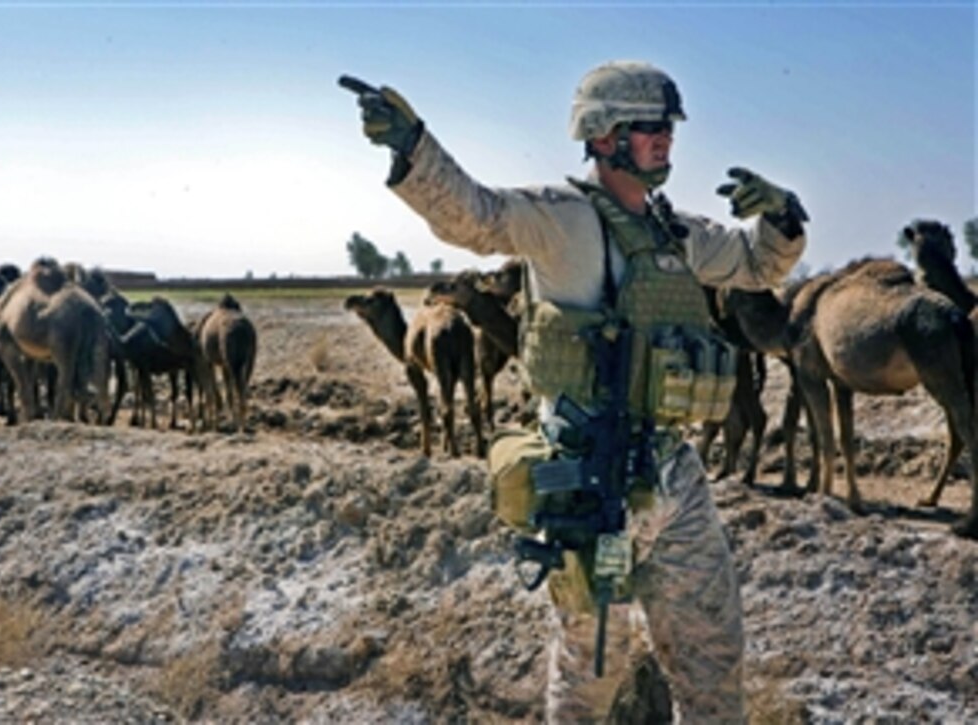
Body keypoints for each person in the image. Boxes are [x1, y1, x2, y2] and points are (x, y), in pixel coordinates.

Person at [344, 60, 807, 723]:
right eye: (648, 126)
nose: (664, 138)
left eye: (668, 126)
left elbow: (758, 264)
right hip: (593, 481)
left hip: (674, 474)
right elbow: (474, 216)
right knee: (591, 671)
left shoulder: (676, 232)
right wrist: (413, 147)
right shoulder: (557, 217)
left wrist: (781, 215)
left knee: (714, 661)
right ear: (602, 133)